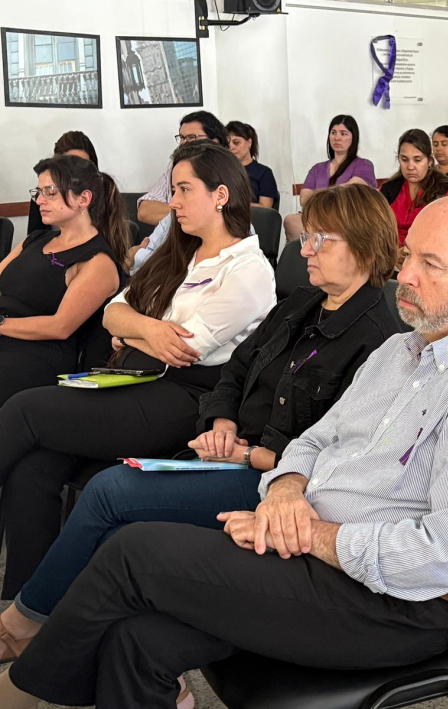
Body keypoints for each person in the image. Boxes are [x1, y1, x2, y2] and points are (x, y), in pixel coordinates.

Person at [0, 194, 448, 709]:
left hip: (396, 603)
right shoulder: (400, 351)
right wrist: (288, 491)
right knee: (136, 640)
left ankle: (22, 691)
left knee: (133, 549)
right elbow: (316, 440)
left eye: (429, 265)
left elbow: (446, 557)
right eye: (408, 255)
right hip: (316, 549)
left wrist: (307, 532)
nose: (404, 276)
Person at [0, 184, 400, 677]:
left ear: (363, 245)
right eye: (308, 237)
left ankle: (25, 626)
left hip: (274, 483)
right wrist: (222, 422)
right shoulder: (300, 304)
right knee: (98, 506)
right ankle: (67, 640)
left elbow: (338, 456)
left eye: (322, 240)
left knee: (108, 493)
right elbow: (235, 371)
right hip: (225, 448)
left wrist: (248, 454)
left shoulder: (379, 341)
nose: (306, 249)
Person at [0, 141, 276, 604]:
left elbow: (186, 349)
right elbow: (115, 312)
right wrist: (142, 331)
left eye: (185, 190)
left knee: (26, 409)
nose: (174, 202)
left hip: (183, 400)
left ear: (221, 195)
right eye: (175, 190)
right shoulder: (181, 250)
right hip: (136, 379)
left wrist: (132, 333)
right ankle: (25, 604)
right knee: (34, 467)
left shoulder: (248, 269)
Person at [0, 154, 128, 406]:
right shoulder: (35, 240)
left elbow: (60, 327)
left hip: (38, 353)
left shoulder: (96, 261)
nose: (39, 200)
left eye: (50, 192)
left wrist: (1, 324)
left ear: (84, 199)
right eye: (38, 192)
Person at [284, 115, 377, 243]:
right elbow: (304, 198)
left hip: (346, 219)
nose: (337, 138)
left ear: (353, 138)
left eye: (343, 133)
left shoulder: (363, 165)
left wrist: (317, 194)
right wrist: (335, 191)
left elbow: (350, 190)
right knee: (291, 220)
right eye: (333, 133)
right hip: (317, 217)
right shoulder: (317, 168)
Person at [137, 111, 228, 226]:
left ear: (215, 141)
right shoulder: (175, 171)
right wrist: (191, 213)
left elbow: (226, 214)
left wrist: (179, 213)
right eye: (182, 138)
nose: (184, 143)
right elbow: (145, 211)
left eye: (191, 137)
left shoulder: (229, 172)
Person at [381, 128, 448, 248]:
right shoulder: (389, 189)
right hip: (391, 255)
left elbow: (446, 235)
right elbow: (379, 230)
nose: (410, 166)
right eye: (404, 160)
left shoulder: (445, 189)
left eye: (417, 160)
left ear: (429, 161)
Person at [26, 131, 99, 234]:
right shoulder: (40, 197)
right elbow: (33, 239)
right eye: (71, 166)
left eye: (83, 166)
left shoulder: (105, 194)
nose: (40, 201)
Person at [226, 120, 278, 209]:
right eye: (227, 144)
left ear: (249, 142)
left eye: (236, 142)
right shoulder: (222, 170)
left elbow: (265, 208)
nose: (231, 147)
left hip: (253, 220)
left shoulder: (264, 173)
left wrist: (233, 206)